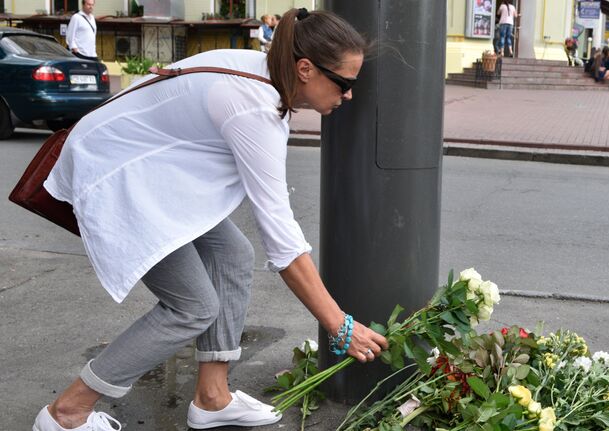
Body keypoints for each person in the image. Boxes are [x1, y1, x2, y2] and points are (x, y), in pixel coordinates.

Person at [33, 7, 388, 431]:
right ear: (306, 68)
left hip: (151, 174)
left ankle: (213, 398)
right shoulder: (254, 109)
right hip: (118, 177)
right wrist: (339, 325)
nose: (348, 96)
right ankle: (68, 412)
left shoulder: (261, 73)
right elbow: (283, 241)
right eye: (345, 84)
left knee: (234, 255)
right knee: (192, 307)